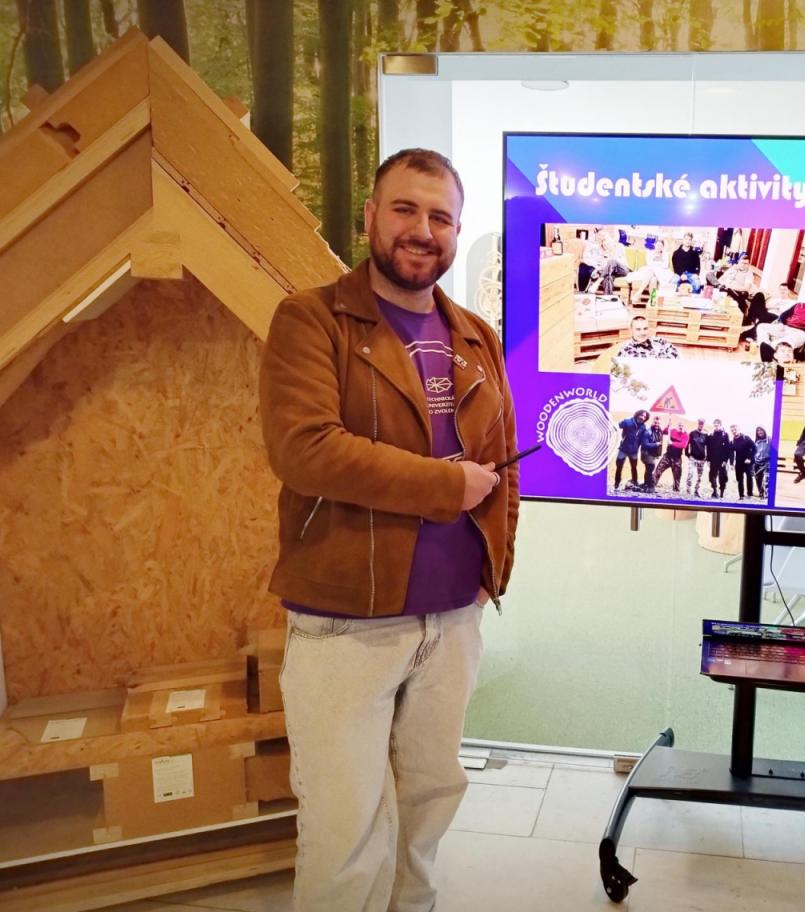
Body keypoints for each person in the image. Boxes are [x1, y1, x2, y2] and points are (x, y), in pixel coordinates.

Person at [259, 148, 517, 912]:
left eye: (440, 217)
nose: (422, 230)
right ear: (371, 216)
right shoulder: (311, 319)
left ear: (457, 230)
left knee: (428, 809)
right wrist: (445, 486)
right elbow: (306, 451)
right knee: (345, 835)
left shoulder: (476, 335)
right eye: (405, 209)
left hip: (453, 619)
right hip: (346, 624)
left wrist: (492, 571)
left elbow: (503, 467)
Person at [615, 409, 649, 490]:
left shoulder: (643, 427)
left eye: (645, 417)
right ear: (637, 414)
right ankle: (617, 483)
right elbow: (616, 427)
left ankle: (635, 482)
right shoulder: (627, 422)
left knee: (634, 468)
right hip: (623, 449)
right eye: (641, 415)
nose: (642, 417)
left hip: (634, 451)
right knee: (619, 467)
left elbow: (642, 439)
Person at [654, 419, 689, 490]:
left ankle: (676, 490)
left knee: (677, 477)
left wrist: (672, 443)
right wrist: (668, 426)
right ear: (677, 426)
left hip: (677, 459)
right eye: (679, 425)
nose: (681, 427)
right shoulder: (672, 431)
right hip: (667, 456)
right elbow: (664, 431)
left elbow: (683, 445)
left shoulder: (686, 435)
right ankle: (652, 486)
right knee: (657, 472)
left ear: (684, 427)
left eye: (682, 426)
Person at [707, 419, 732, 498]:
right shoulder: (711, 435)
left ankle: (722, 492)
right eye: (715, 425)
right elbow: (708, 448)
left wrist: (725, 460)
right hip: (713, 459)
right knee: (712, 475)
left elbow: (728, 449)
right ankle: (715, 491)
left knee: (723, 476)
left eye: (717, 425)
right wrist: (708, 460)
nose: (716, 426)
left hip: (722, 460)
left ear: (720, 425)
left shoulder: (725, 435)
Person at [730, 424, 756, 498]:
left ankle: (750, 494)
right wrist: (731, 463)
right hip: (739, 463)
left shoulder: (746, 438)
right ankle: (741, 495)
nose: (734, 431)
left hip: (748, 462)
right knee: (739, 479)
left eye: (735, 429)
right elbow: (731, 453)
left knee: (749, 478)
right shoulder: (732, 441)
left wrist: (749, 458)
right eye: (732, 430)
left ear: (739, 429)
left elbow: (754, 448)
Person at [685, 419, 709, 497]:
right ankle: (688, 491)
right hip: (693, 457)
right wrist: (687, 454)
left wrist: (707, 457)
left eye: (702, 424)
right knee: (690, 473)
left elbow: (708, 446)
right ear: (698, 424)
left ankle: (697, 491)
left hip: (702, 458)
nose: (701, 425)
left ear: (704, 425)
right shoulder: (692, 433)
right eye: (700, 424)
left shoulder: (706, 435)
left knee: (699, 476)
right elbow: (687, 444)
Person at [640, 415, 664, 491]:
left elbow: (665, 432)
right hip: (646, 453)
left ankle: (646, 484)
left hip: (653, 454)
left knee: (648, 469)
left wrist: (657, 453)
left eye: (658, 423)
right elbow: (645, 444)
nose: (657, 424)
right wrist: (656, 444)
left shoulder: (659, 431)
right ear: (652, 422)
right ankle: (651, 487)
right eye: (655, 423)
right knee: (650, 468)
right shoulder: (647, 432)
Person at [753, 427, 771, 497]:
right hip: (757, 463)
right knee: (758, 478)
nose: (760, 432)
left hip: (767, 462)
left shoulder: (769, 439)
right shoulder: (756, 442)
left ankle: (767, 494)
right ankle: (761, 492)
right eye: (758, 431)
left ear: (764, 431)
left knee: (767, 478)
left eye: (761, 430)